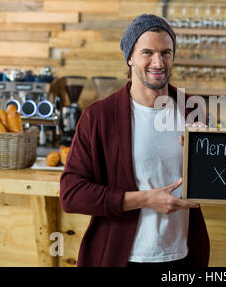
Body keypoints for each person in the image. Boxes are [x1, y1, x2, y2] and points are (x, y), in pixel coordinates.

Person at [60, 14, 209, 267]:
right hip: (123, 257)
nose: (158, 62)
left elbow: (211, 182)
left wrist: (207, 156)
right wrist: (144, 200)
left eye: (166, 52)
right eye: (147, 52)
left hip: (181, 255)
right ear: (129, 57)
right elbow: (72, 194)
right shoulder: (99, 117)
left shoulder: (192, 109)